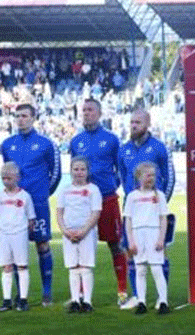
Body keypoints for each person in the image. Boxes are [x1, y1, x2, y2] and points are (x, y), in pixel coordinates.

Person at [1, 103, 61, 306]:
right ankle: (21, 294)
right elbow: (8, 172)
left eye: (25, 115)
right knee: (16, 247)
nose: (20, 119)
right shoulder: (8, 144)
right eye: (17, 116)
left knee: (42, 244)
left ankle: (47, 292)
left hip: (38, 202)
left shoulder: (46, 144)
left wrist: (42, 194)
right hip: (15, 205)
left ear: (33, 118)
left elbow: (56, 174)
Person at [69, 98, 127, 305]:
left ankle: (122, 290)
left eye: (90, 109)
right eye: (83, 110)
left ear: (99, 113)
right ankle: (82, 294)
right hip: (83, 202)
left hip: (107, 197)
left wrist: (110, 186)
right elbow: (73, 169)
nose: (86, 113)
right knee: (82, 244)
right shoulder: (76, 141)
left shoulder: (111, 139)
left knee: (115, 244)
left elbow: (121, 169)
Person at [117, 109, 175, 310]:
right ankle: (137, 297)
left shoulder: (159, 148)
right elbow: (123, 177)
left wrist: (158, 202)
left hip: (155, 210)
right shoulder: (123, 149)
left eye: (138, 122)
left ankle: (162, 297)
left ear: (147, 123)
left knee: (160, 252)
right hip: (134, 210)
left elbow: (169, 177)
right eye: (132, 122)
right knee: (131, 252)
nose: (134, 125)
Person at [56, 157, 102, 313]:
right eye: (76, 169)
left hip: (87, 232)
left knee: (86, 266)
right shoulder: (64, 190)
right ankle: (75, 300)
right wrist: (65, 231)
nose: (79, 172)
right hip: (69, 232)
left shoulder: (93, 189)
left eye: (82, 169)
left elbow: (96, 212)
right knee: (73, 266)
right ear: (70, 171)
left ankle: (87, 301)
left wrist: (84, 230)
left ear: (87, 171)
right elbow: (59, 212)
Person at [124, 162, 171, 315]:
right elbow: (128, 220)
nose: (151, 178)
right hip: (138, 235)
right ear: (139, 177)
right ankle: (141, 302)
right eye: (148, 175)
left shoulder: (159, 196)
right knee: (140, 269)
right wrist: (131, 241)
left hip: (153, 233)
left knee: (157, 269)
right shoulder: (132, 197)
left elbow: (163, 219)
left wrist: (161, 239)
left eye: (153, 175)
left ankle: (163, 301)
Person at [0, 162, 35, 312]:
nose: (6, 181)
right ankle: (6, 300)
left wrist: (23, 231)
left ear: (17, 177)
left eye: (9, 178)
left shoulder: (25, 196)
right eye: (4, 178)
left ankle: (23, 299)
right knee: (7, 267)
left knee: (22, 265)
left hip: (20, 234)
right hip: (4, 234)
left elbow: (31, 218)